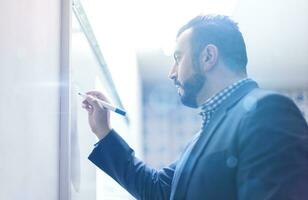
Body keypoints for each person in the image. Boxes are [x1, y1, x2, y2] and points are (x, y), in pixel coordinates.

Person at [82, 15, 308, 200]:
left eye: (178, 58)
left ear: (208, 57)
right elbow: (158, 190)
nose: (172, 72)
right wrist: (104, 131)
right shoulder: (204, 135)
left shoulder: (266, 111)